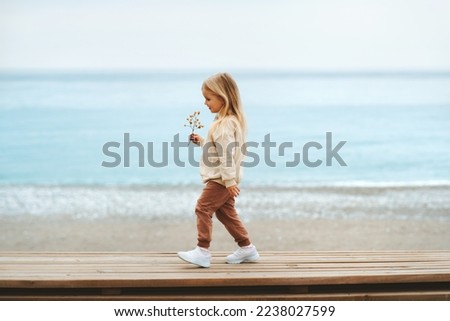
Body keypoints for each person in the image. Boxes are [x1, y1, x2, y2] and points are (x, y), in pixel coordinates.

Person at [177, 72, 259, 268]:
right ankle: (247, 247)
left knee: (202, 208)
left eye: (208, 98)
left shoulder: (223, 124)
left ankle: (202, 251)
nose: (205, 103)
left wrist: (229, 181)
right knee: (226, 213)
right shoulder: (229, 121)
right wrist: (203, 142)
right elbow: (218, 148)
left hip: (221, 179)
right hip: (225, 178)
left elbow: (226, 155)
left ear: (223, 97)